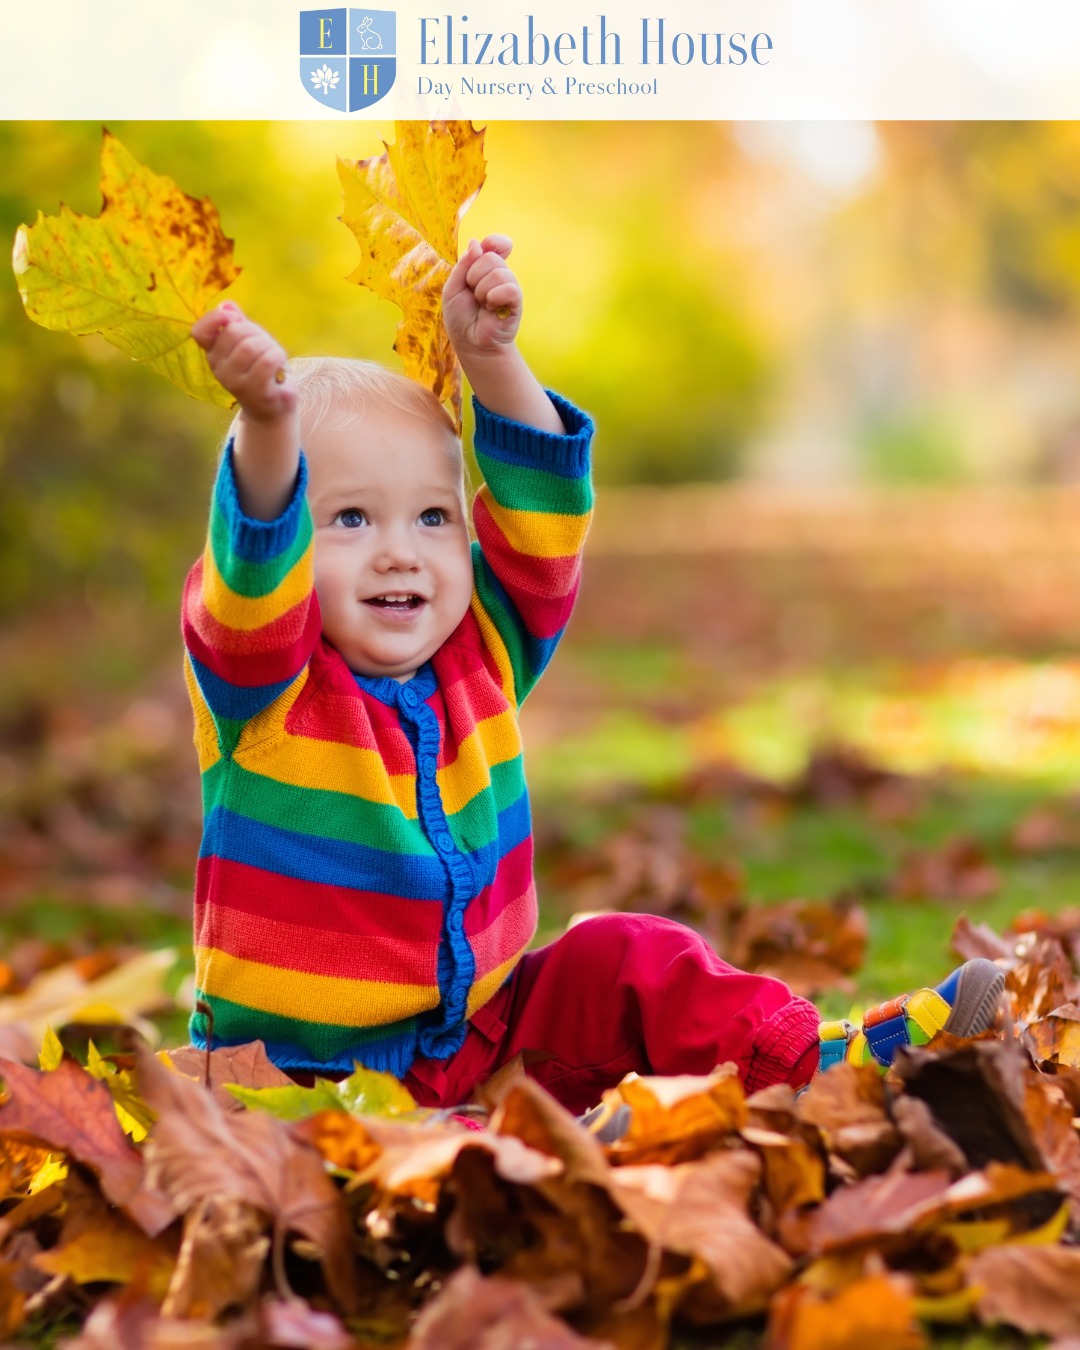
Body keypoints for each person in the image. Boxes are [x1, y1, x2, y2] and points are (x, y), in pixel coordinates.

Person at [183, 236, 1004, 1117]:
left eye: (432, 517)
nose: (401, 553)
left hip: (487, 1035)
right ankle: (549, 1143)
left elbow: (543, 531)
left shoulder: (480, 653)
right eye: (350, 519)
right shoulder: (266, 691)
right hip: (306, 1080)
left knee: (630, 955)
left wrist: (491, 362)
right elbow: (250, 589)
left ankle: (816, 1064)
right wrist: (266, 434)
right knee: (356, 1138)